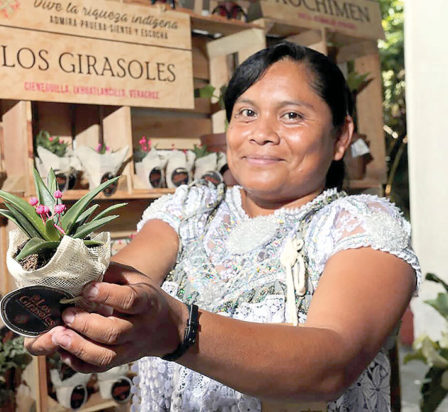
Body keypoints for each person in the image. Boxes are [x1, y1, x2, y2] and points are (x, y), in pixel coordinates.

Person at [26, 42, 420, 411]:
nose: (261, 134)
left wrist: (179, 328)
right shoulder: (190, 211)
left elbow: (331, 365)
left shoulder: (361, 226)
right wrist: (70, 303)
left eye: (292, 115)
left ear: (341, 137)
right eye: (247, 113)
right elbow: (120, 286)